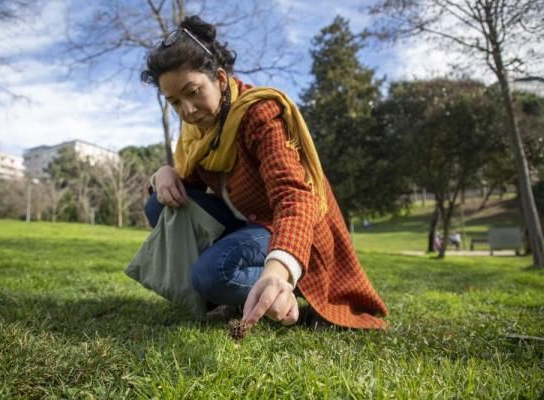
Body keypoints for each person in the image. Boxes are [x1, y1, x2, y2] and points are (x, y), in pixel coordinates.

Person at [141, 15, 387, 329]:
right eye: (174, 102)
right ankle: (240, 287)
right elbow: (186, 182)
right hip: (247, 225)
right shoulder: (199, 134)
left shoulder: (261, 113)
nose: (186, 111)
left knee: (211, 275)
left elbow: (294, 197)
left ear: (218, 78)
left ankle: (284, 288)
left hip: (286, 227)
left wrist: (275, 272)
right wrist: (161, 174)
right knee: (159, 204)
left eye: (192, 92)